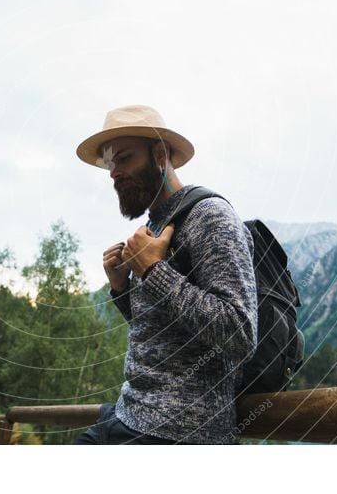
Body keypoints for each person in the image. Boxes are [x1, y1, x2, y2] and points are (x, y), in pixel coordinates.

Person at [72, 105, 258, 445]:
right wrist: (121, 290)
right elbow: (162, 335)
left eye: (124, 158)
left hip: (178, 433)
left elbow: (240, 334)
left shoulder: (210, 216)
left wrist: (155, 272)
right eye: (110, 164)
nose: (114, 173)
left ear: (160, 153)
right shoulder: (154, 227)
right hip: (129, 416)